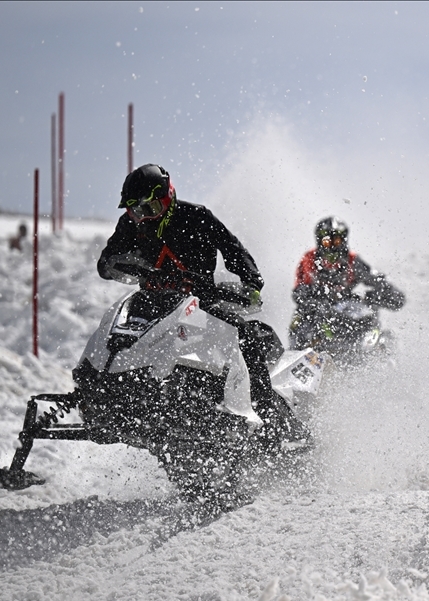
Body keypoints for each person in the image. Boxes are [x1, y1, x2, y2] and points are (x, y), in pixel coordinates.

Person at [98, 163, 300, 436]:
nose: (144, 218)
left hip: (201, 304)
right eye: (136, 211)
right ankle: (101, 387)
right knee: (114, 333)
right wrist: (121, 266)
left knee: (246, 335)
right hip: (151, 301)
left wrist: (251, 283)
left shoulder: (196, 217)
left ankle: (270, 416)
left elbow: (233, 248)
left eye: (150, 209)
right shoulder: (129, 225)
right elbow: (108, 259)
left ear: (167, 199)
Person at [289, 216, 405, 352]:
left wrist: (382, 295)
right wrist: (314, 302)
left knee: (369, 317)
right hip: (316, 310)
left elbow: (378, 280)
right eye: (327, 242)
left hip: (345, 308)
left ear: (343, 240)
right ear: (319, 242)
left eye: (337, 241)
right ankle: (301, 355)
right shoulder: (309, 260)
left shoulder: (353, 261)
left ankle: (372, 352)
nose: (332, 247)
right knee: (300, 321)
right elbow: (300, 291)